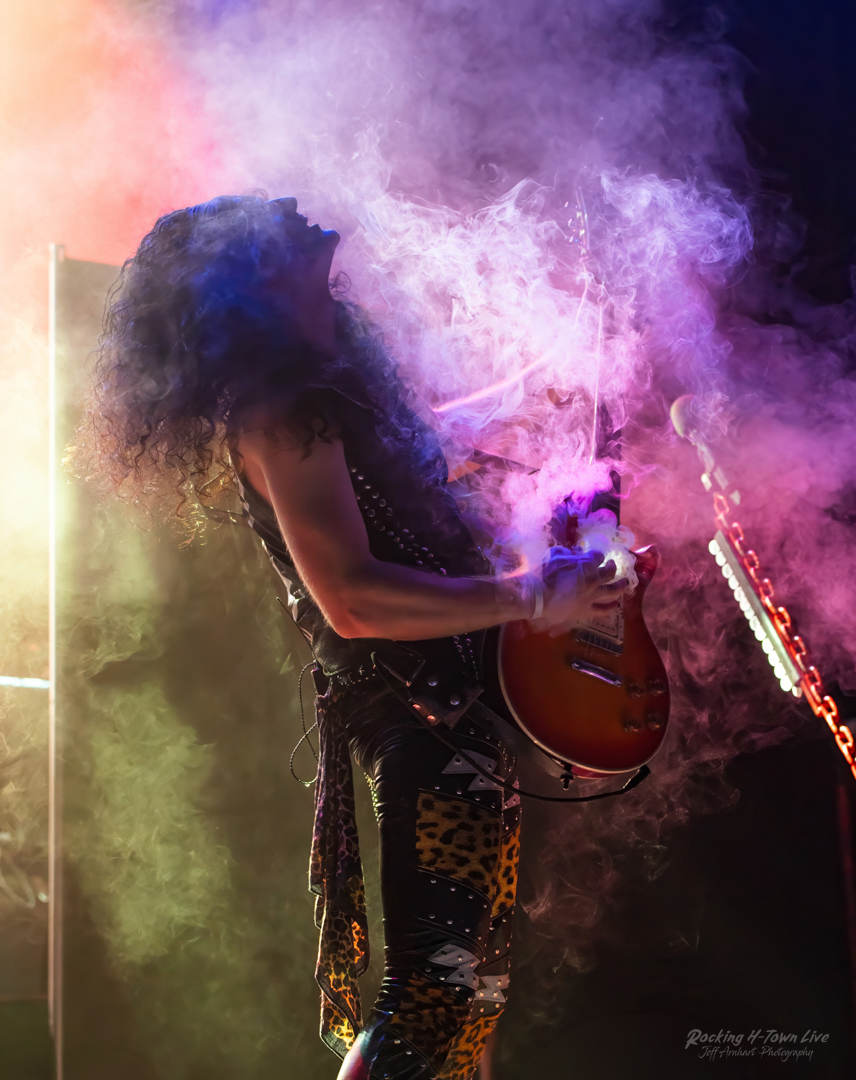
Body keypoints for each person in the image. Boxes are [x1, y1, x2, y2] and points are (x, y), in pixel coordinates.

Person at [81, 194, 625, 1079]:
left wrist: (526, 439)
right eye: (261, 216)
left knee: (471, 1004)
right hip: (419, 713)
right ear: (246, 278)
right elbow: (353, 602)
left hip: (457, 715)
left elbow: (421, 487)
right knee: (432, 1003)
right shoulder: (280, 410)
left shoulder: (335, 377)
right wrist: (529, 598)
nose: (289, 202)